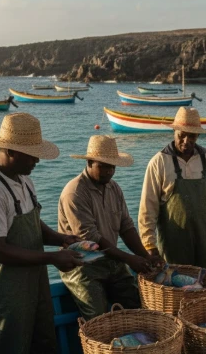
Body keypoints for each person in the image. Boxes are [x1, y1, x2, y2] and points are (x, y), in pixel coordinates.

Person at [0, 113, 84, 354]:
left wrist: (61, 239)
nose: (37, 160)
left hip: (34, 286)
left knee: (44, 349)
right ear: (9, 151)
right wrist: (53, 258)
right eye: (31, 154)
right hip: (4, 294)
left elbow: (32, 222)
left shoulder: (22, 179)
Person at [59, 135, 154, 321]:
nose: (109, 171)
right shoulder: (75, 192)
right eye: (103, 166)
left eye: (112, 166)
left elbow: (126, 227)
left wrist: (145, 256)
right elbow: (91, 239)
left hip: (111, 259)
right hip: (82, 265)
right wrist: (128, 258)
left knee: (137, 305)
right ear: (89, 162)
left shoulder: (114, 188)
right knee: (97, 317)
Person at [138, 107, 206, 270]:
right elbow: (148, 209)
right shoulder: (159, 162)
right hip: (174, 245)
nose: (186, 141)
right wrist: (149, 245)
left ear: (198, 135)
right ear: (174, 131)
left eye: (192, 136)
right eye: (182, 135)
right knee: (177, 287)